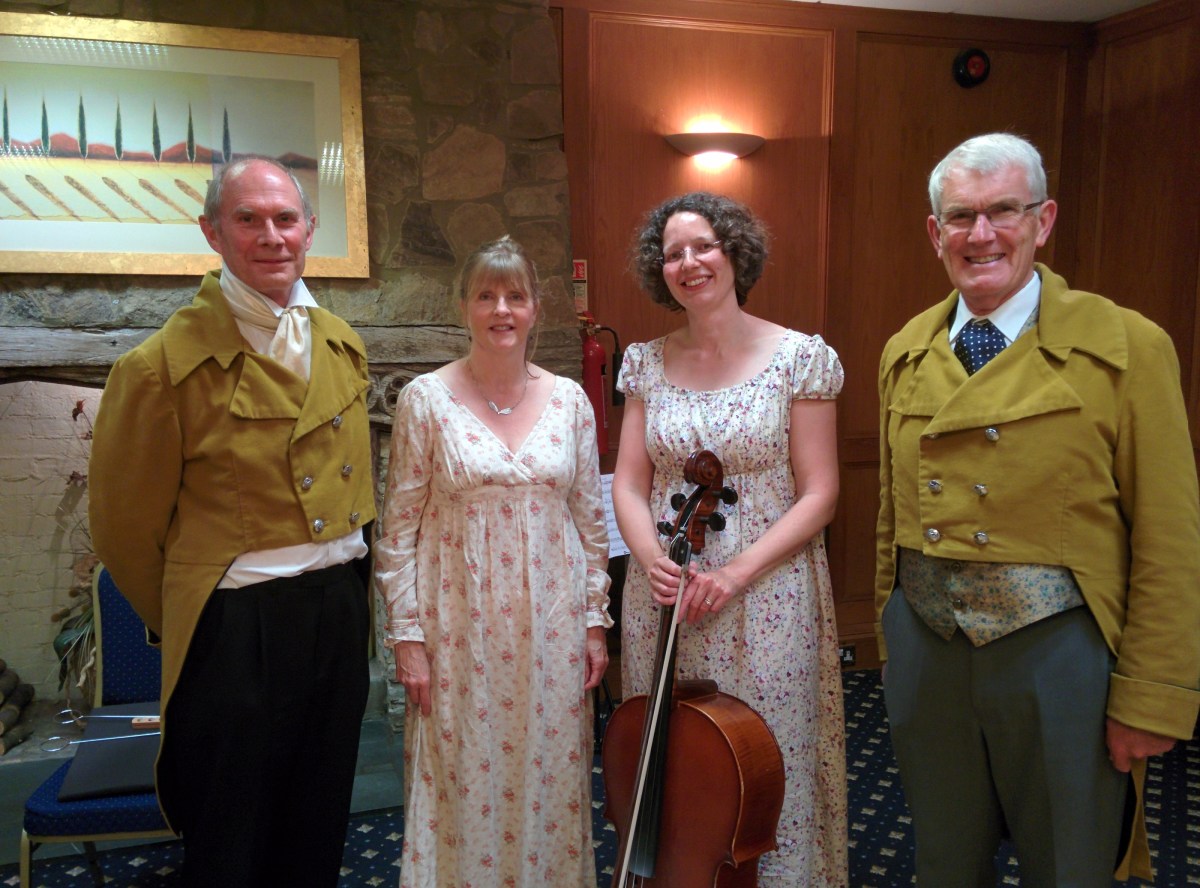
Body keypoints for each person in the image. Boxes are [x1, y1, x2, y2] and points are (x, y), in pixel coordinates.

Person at [875, 132, 1200, 885]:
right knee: (945, 863)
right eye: (960, 216)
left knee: (1070, 865)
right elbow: (891, 523)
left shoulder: (1126, 344)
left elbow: (1169, 537)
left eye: (1003, 212)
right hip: (931, 650)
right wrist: (894, 643)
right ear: (935, 232)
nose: (980, 234)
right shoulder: (905, 349)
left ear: (1043, 220)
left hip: (1060, 656)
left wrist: (1152, 696)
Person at [88, 157, 375, 887]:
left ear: (311, 229)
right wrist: (199, 620)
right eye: (248, 219)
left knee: (319, 816)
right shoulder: (158, 369)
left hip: (338, 610)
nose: (271, 236)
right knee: (232, 833)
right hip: (237, 625)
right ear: (212, 231)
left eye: (286, 219)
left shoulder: (342, 342)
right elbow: (125, 532)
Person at [611, 191, 847, 887]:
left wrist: (736, 573)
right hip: (667, 594)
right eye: (673, 253)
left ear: (734, 252)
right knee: (679, 768)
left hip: (767, 593)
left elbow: (822, 491)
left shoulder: (799, 358)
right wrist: (651, 557)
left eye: (702, 246)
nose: (689, 263)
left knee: (771, 762)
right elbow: (628, 482)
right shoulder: (646, 365)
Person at [374, 235, 612, 887]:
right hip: (459, 632)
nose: (501, 309)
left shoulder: (569, 402)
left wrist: (595, 623)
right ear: (464, 306)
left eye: (515, 295)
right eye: (486, 295)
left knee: (551, 774)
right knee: (462, 775)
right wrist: (408, 636)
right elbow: (397, 532)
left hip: (551, 631)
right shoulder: (425, 399)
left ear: (536, 309)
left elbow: (591, 520)